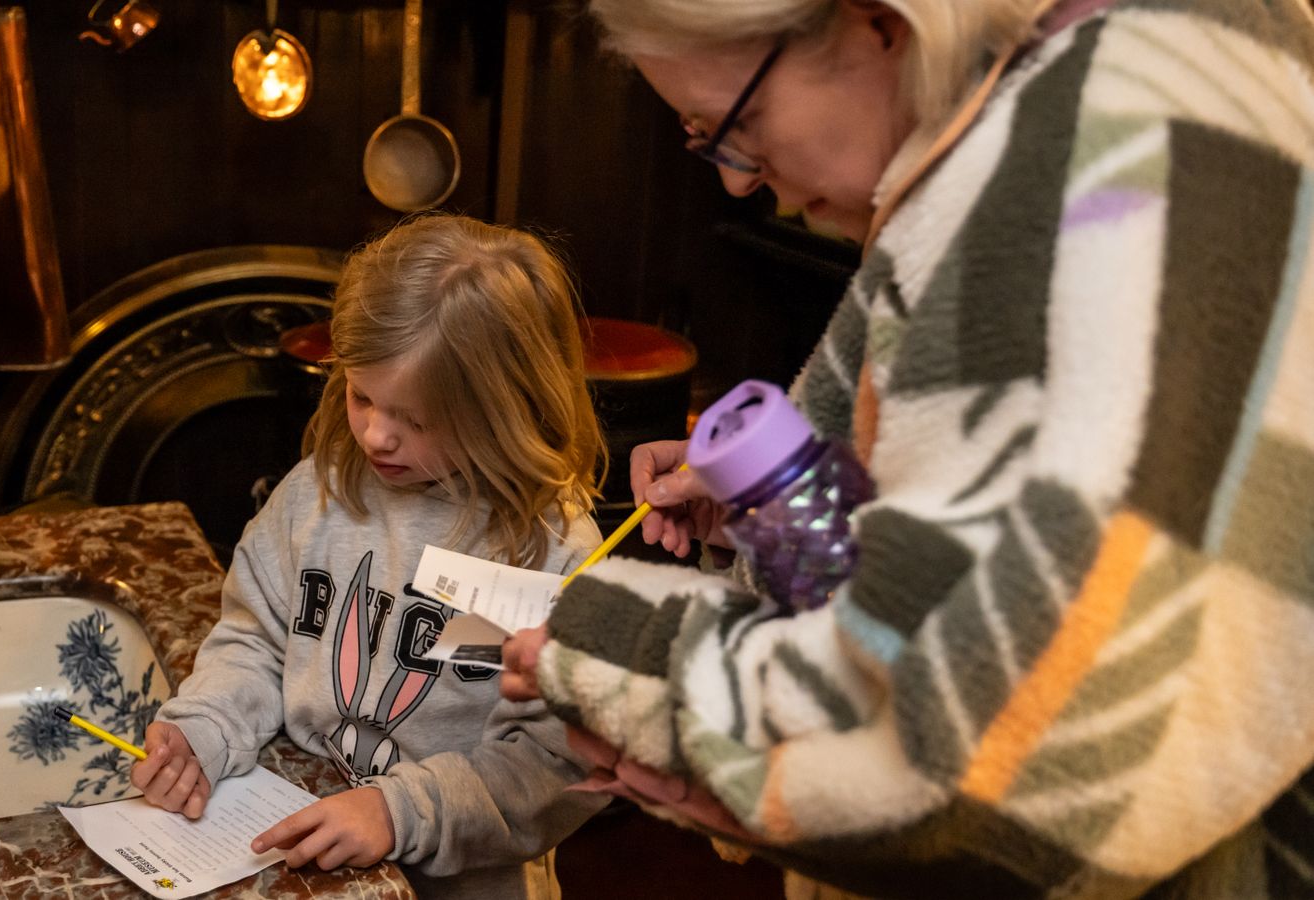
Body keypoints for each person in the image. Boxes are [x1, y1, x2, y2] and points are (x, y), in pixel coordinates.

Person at [502, 0, 1314, 897]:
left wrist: (612, 646)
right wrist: (774, 509)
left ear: (876, 21)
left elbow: (1011, 763)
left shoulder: (1123, 125)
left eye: (734, 127)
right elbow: (1000, 512)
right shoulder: (998, 133)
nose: (737, 181)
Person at [133, 213, 611, 899]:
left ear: (507, 407)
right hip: (297, 843)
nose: (375, 436)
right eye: (360, 396)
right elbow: (255, 642)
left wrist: (397, 810)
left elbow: (551, 767)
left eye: (415, 420)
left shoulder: (555, 554)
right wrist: (207, 725)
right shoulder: (315, 494)